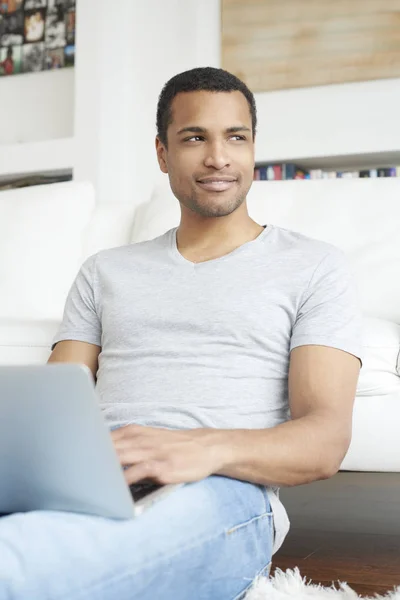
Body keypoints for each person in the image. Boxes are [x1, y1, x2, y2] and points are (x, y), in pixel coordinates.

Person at [0, 67, 363, 600]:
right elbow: (54, 415)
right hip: (97, 479)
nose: (218, 157)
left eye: (235, 137)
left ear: (252, 147)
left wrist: (201, 450)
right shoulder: (105, 271)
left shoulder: (314, 267)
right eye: (195, 137)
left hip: (222, 492)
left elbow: (326, 441)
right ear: (162, 153)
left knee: (21, 561)